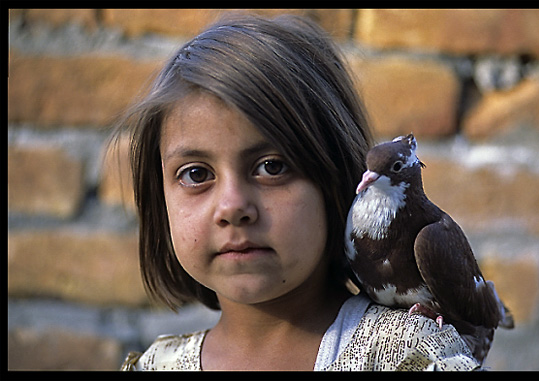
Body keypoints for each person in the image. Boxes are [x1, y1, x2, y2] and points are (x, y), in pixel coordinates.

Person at [117, 13, 480, 371]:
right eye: (196, 174)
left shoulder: (407, 355)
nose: (232, 206)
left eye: (272, 167)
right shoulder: (154, 366)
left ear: (336, 179)